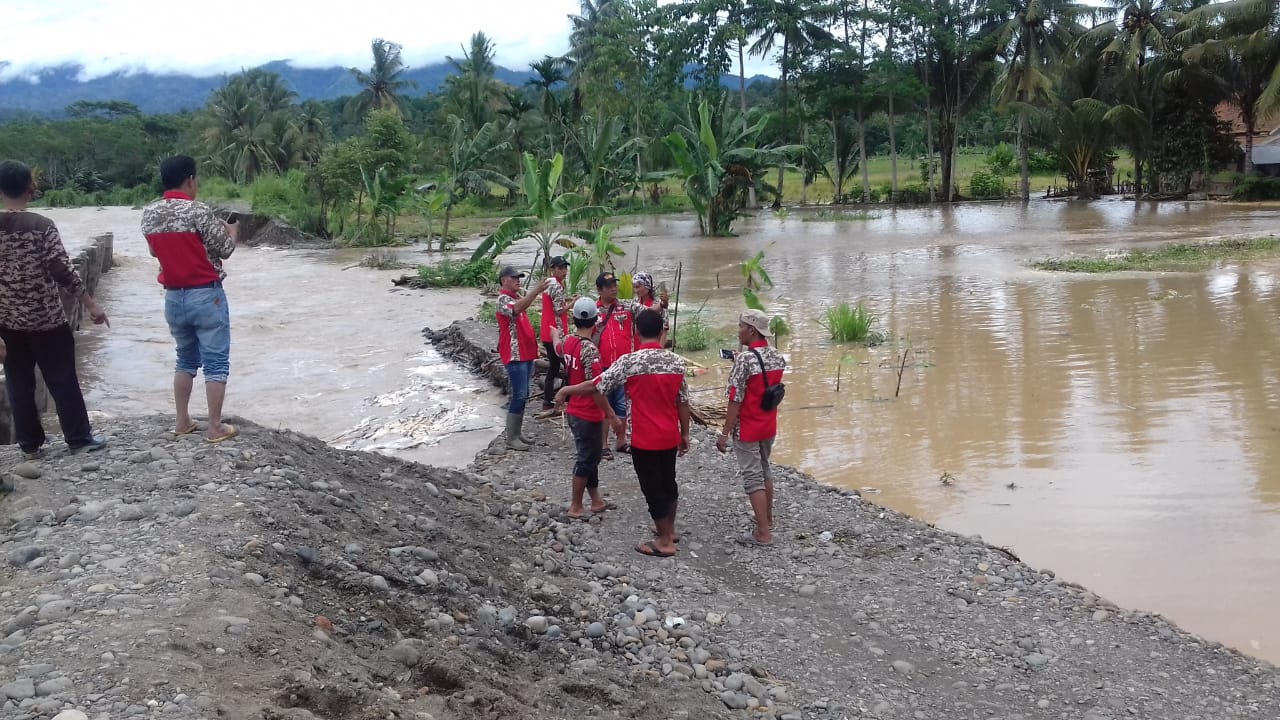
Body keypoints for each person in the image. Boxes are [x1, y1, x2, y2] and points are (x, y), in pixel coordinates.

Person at [0, 160, 109, 460]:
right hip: (46, 319)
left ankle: (30, 445)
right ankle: (78, 438)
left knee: (18, 381)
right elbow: (62, 270)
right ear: (30, 188)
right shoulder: (41, 225)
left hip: (7, 322)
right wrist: (92, 304)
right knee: (61, 377)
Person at [558, 309, 690, 557]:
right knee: (668, 482)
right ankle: (669, 530)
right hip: (669, 434)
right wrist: (685, 434)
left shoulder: (630, 362)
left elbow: (596, 385)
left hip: (644, 437)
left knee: (652, 488)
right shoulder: (676, 362)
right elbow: (683, 402)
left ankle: (664, 542)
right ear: (663, 331)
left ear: (637, 332)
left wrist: (567, 389)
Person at [141, 155, 240, 443]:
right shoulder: (198, 211)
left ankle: (182, 420)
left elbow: (154, 252)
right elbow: (224, 250)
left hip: (173, 298)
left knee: (184, 359)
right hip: (206, 295)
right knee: (216, 362)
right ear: (190, 180)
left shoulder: (149, 214)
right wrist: (231, 233)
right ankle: (215, 426)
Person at [716, 309, 786, 546]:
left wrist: (724, 433)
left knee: (752, 477)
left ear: (751, 330)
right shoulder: (777, 356)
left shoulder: (745, 360)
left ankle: (763, 533)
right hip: (768, 424)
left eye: (740, 327)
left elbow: (735, 399)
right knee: (765, 469)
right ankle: (768, 519)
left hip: (747, 426)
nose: (739, 331)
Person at [552, 296, 624, 518]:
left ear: (574, 319)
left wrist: (555, 333)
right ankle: (575, 506)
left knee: (590, 457)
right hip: (587, 413)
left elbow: (556, 348)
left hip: (575, 412)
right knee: (586, 460)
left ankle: (596, 500)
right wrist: (611, 415)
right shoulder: (590, 350)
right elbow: (596, 387)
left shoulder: (568, 342)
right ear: (596, 321)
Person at [495, 265, 551, 451]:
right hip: (515, 355)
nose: (518, 280)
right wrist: (536, 290)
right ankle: (511, 437)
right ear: (504, 280)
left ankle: (516, 434)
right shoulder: (503, 300)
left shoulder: (515, 297)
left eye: (519, 277)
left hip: (525, 354)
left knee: (524, 394)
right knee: (519, 394)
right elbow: (517, 309)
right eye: (514, 277)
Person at [593, 271, 633, 457]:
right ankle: (602, 444)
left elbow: (649, 310)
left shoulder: (626, 307)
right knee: (605, 406)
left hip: (622, 366)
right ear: (600, 290)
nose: (614, 289)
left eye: (615, 285)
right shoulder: (592, 311)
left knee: (622, 405)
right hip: (603, 366)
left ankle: (621, 441)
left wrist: (662, 305)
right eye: (609, 287)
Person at [539, 255, 573, 413]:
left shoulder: (549, 283)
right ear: (553, 269)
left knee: (553, 367)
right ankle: (566, 398)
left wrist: (567, 299)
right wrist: (573, 303)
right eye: (560, 268)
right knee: (569, 366)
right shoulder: (557, 286)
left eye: (565, 267)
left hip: (547, 331)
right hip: (556, 333)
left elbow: (554, 302)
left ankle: (547, 401)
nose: (564, 271)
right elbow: (559, 310)